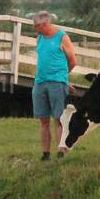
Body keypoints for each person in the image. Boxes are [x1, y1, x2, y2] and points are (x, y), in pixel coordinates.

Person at [32, 10, 77, 161]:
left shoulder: (61, 37)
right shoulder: (40, 39)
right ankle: (45, 153)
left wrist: (63, 78)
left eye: (36, 25)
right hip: (40, 82)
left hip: (57, 82)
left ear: (45, 24)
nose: (34, 28)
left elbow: (72, 60)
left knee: (58, 118)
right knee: (43, 119)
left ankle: (61, 150)